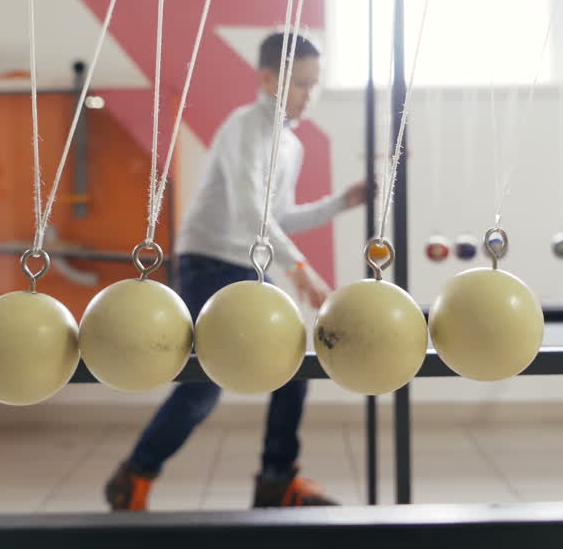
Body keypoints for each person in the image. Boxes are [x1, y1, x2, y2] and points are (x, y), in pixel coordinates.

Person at [104, 31, 367, 511]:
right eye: (300, 84)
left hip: (248, 263)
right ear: (268, 78)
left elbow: (277, 218)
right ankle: (133, 478)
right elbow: (250, 213)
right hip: (208, 261)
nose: (310, 95)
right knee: (203, 385)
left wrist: (341, 203)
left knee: (292, 364)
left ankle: (275, 479)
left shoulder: (291, 144)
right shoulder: (244, 127)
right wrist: (302, 271)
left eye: (314, 84)